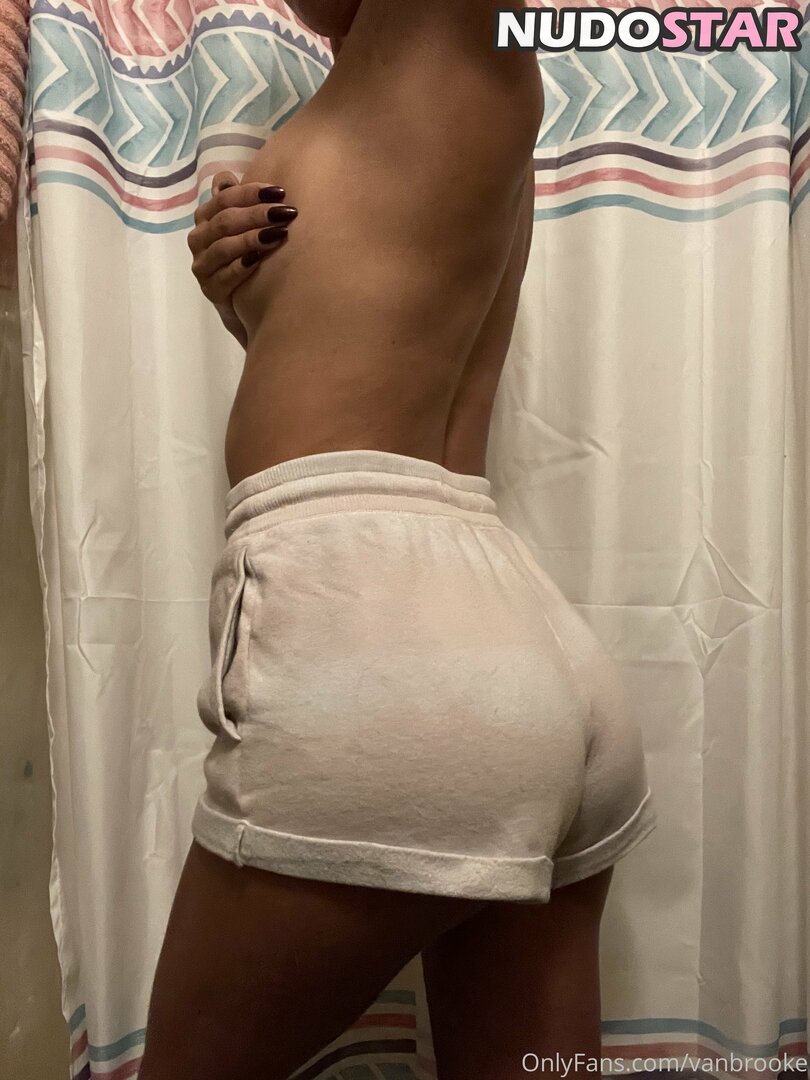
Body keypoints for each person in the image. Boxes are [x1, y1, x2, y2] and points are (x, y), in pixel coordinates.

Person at [139, 3, 657, 1079]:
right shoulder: (390, 99)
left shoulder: (447, 37)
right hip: (511, 641)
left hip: (372, 642)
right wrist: (246, 297)